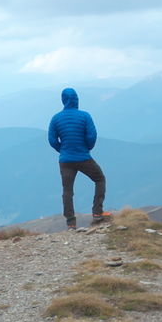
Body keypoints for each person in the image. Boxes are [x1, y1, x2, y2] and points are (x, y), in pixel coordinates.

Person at [48, 87, 108, 229]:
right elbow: (91, 136)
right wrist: (86, 148)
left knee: (67, 190)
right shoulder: (85, 116)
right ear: (76, 100)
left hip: (65, 160)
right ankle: (97, 213)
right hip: (83, 158)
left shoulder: (56, 118)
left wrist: (62, 150)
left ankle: (71, 222)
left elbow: (52, 140)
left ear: (63, 100)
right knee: (100, 179)